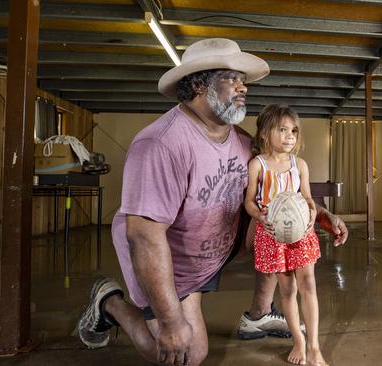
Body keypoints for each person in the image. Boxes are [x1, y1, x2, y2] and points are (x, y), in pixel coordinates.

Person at [76, 38, 348, 366]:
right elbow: (145, 237)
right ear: (201, 85)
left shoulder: (242, 142)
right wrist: (171, 322)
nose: (243, 88)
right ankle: (111, 302)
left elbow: (279, 193)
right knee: (185, 354)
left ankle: (260, 314)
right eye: (231, 79)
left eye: (243, 81)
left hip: (213, 247)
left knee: (282, 230)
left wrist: (319, 213)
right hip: (171, 266)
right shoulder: (161, 145)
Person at [244, 104, 327, 366]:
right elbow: (249, 202)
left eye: (293, 130)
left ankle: (314, 347)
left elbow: (307, 197)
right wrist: (260, 217)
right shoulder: (257, 165)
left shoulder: (299, 165)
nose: (290, 136)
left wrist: (312, 211)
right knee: (288, 290)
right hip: (273, 234)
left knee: (309, 285)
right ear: (265, 134)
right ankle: (298, 342)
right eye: (282, 129)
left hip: (301, 232)